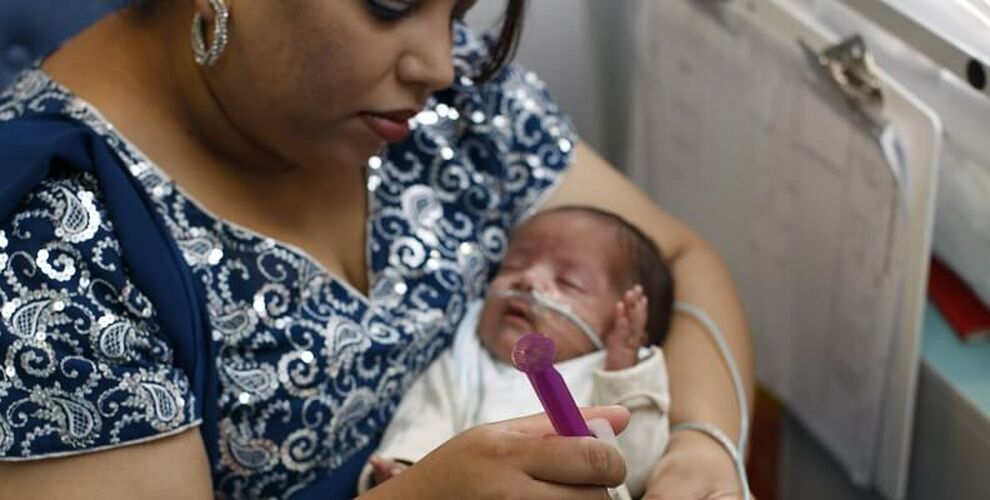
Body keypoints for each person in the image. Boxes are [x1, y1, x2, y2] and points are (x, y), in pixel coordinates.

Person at [0, 1, 754, 498]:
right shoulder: (48, 244)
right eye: (391, 0)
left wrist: (702, 444)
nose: (442, 65)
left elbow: (679, 262)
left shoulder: (445, 105)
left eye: (455, 7)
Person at [358, 205, 675, 498]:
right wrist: (407, 471)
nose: (527, 280)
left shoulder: (616, 374)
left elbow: (636, 465)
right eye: (513, 265)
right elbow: (425, 414)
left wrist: (623, 371)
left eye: (569, 282)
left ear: (622, 325)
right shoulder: (467, 360)